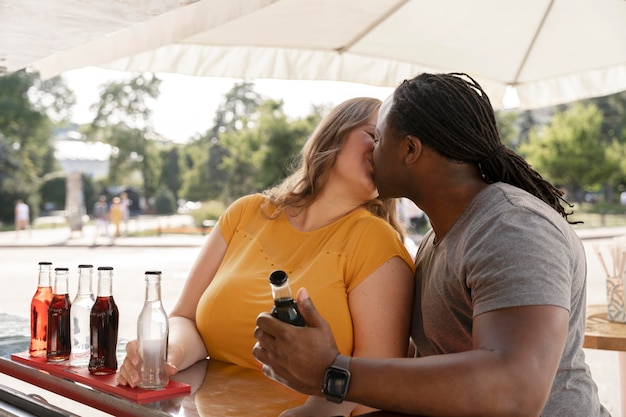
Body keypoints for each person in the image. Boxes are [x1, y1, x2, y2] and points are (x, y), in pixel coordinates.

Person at [253, 73, 610, 416]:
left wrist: (333, 372)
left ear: (410, 149)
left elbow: (515, 390)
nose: (372, 152)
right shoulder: (438, 239)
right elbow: (432, 368)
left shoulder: (512, 227)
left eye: (378, 139)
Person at [117, 97, 416, 416]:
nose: (381, 151)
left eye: (391, 146)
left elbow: (376, 395)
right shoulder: (246, 214)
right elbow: (186, 318)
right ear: (336, 132)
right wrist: (166, 354)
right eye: (374, 135)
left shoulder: (376, 241)